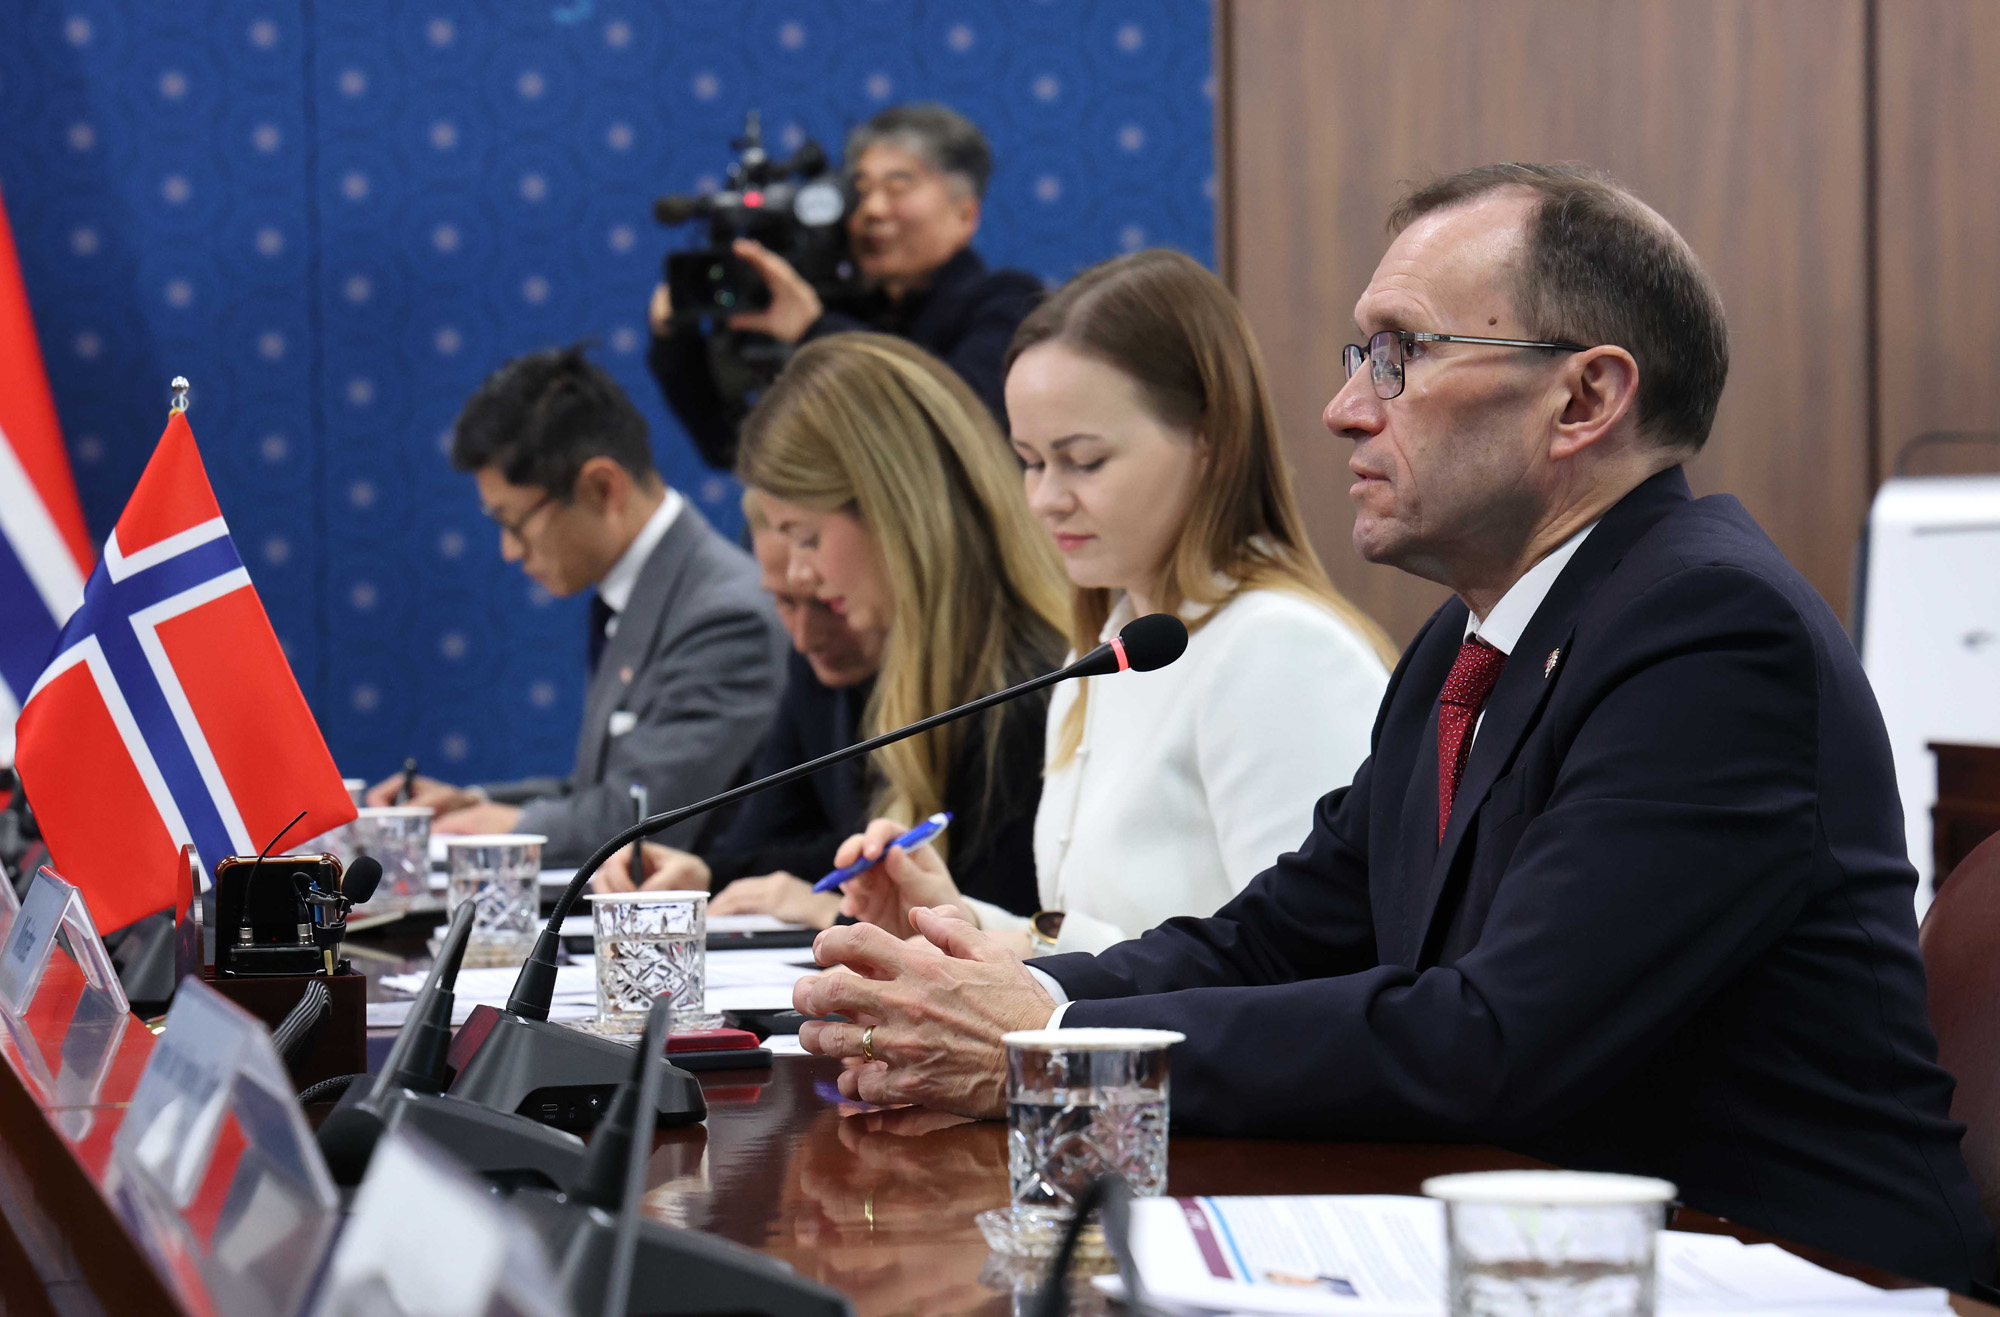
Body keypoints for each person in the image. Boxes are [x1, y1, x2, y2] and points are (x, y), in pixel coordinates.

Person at [790, 165, 1998, 1292]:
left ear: (1584, 396)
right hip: (1556, 1243)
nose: (1339, 409)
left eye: (1397, 356)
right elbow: (1276, 938)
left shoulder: (1709, 631)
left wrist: (1047, 1036)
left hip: (1786, 1267)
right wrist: (996, 987)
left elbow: (1496, 1039)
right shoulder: (1470, 637)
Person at [833, 249, 1396, 955]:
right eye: (1032, 461)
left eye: (1084, 460)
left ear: (1210, 441)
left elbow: (1311, 968)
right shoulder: (1110, 647)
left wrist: (1017, 958)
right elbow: (1120, 945)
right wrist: (955, 925)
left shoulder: (1278, 649)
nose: (1044, 498)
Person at [611, 332, 1069, 922]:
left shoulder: (1027, 685)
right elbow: (792, 845)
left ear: (895, 515)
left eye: (808, 538)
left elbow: (1001, 923)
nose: (800, 573)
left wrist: (831, 913)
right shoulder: (845, 660)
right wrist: (711, 875)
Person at [366, 346, 787, 865]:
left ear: (601, 487)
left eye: (513, 522)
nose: (510, 550)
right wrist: (479, 805)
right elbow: (604, 787)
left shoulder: (725, 617)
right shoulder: (651, 587)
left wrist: (510, 828)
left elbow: (643, 820)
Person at [648, 103, 1042, 469]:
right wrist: (677, 342)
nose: (872, 210)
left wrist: (815, 331)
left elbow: (965, 420)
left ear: (965, 213)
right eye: (860, 191)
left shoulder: (1008, 301)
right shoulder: (833, 310)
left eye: (897, 187)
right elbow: (732, 447)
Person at [591, 492, 883, 929]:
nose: (804, 637)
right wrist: (707, 875)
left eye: (825, 603)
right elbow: (786, 838)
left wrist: (834, 913)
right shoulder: (810, 672)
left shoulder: (973, 685)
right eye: (784, 603)